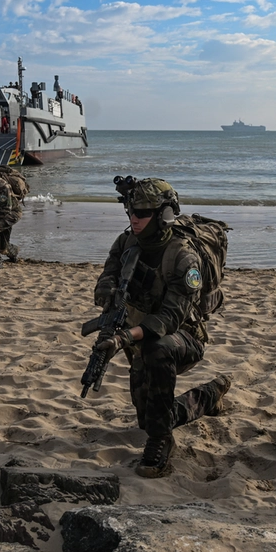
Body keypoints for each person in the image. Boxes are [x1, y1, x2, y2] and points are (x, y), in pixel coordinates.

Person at [92, 177, 232, 478]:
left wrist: (123, 338)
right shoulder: (127, 241)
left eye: (142, 213)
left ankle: (161, 441)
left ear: (164, 214)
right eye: (131, 211)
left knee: (157, 351)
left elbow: (169, 318)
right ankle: (208, 397)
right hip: (136, 333)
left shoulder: (182, 256)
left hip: (182, 338)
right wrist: (109, 313)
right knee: (149, 416)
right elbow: (108, 278)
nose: (134, 218)